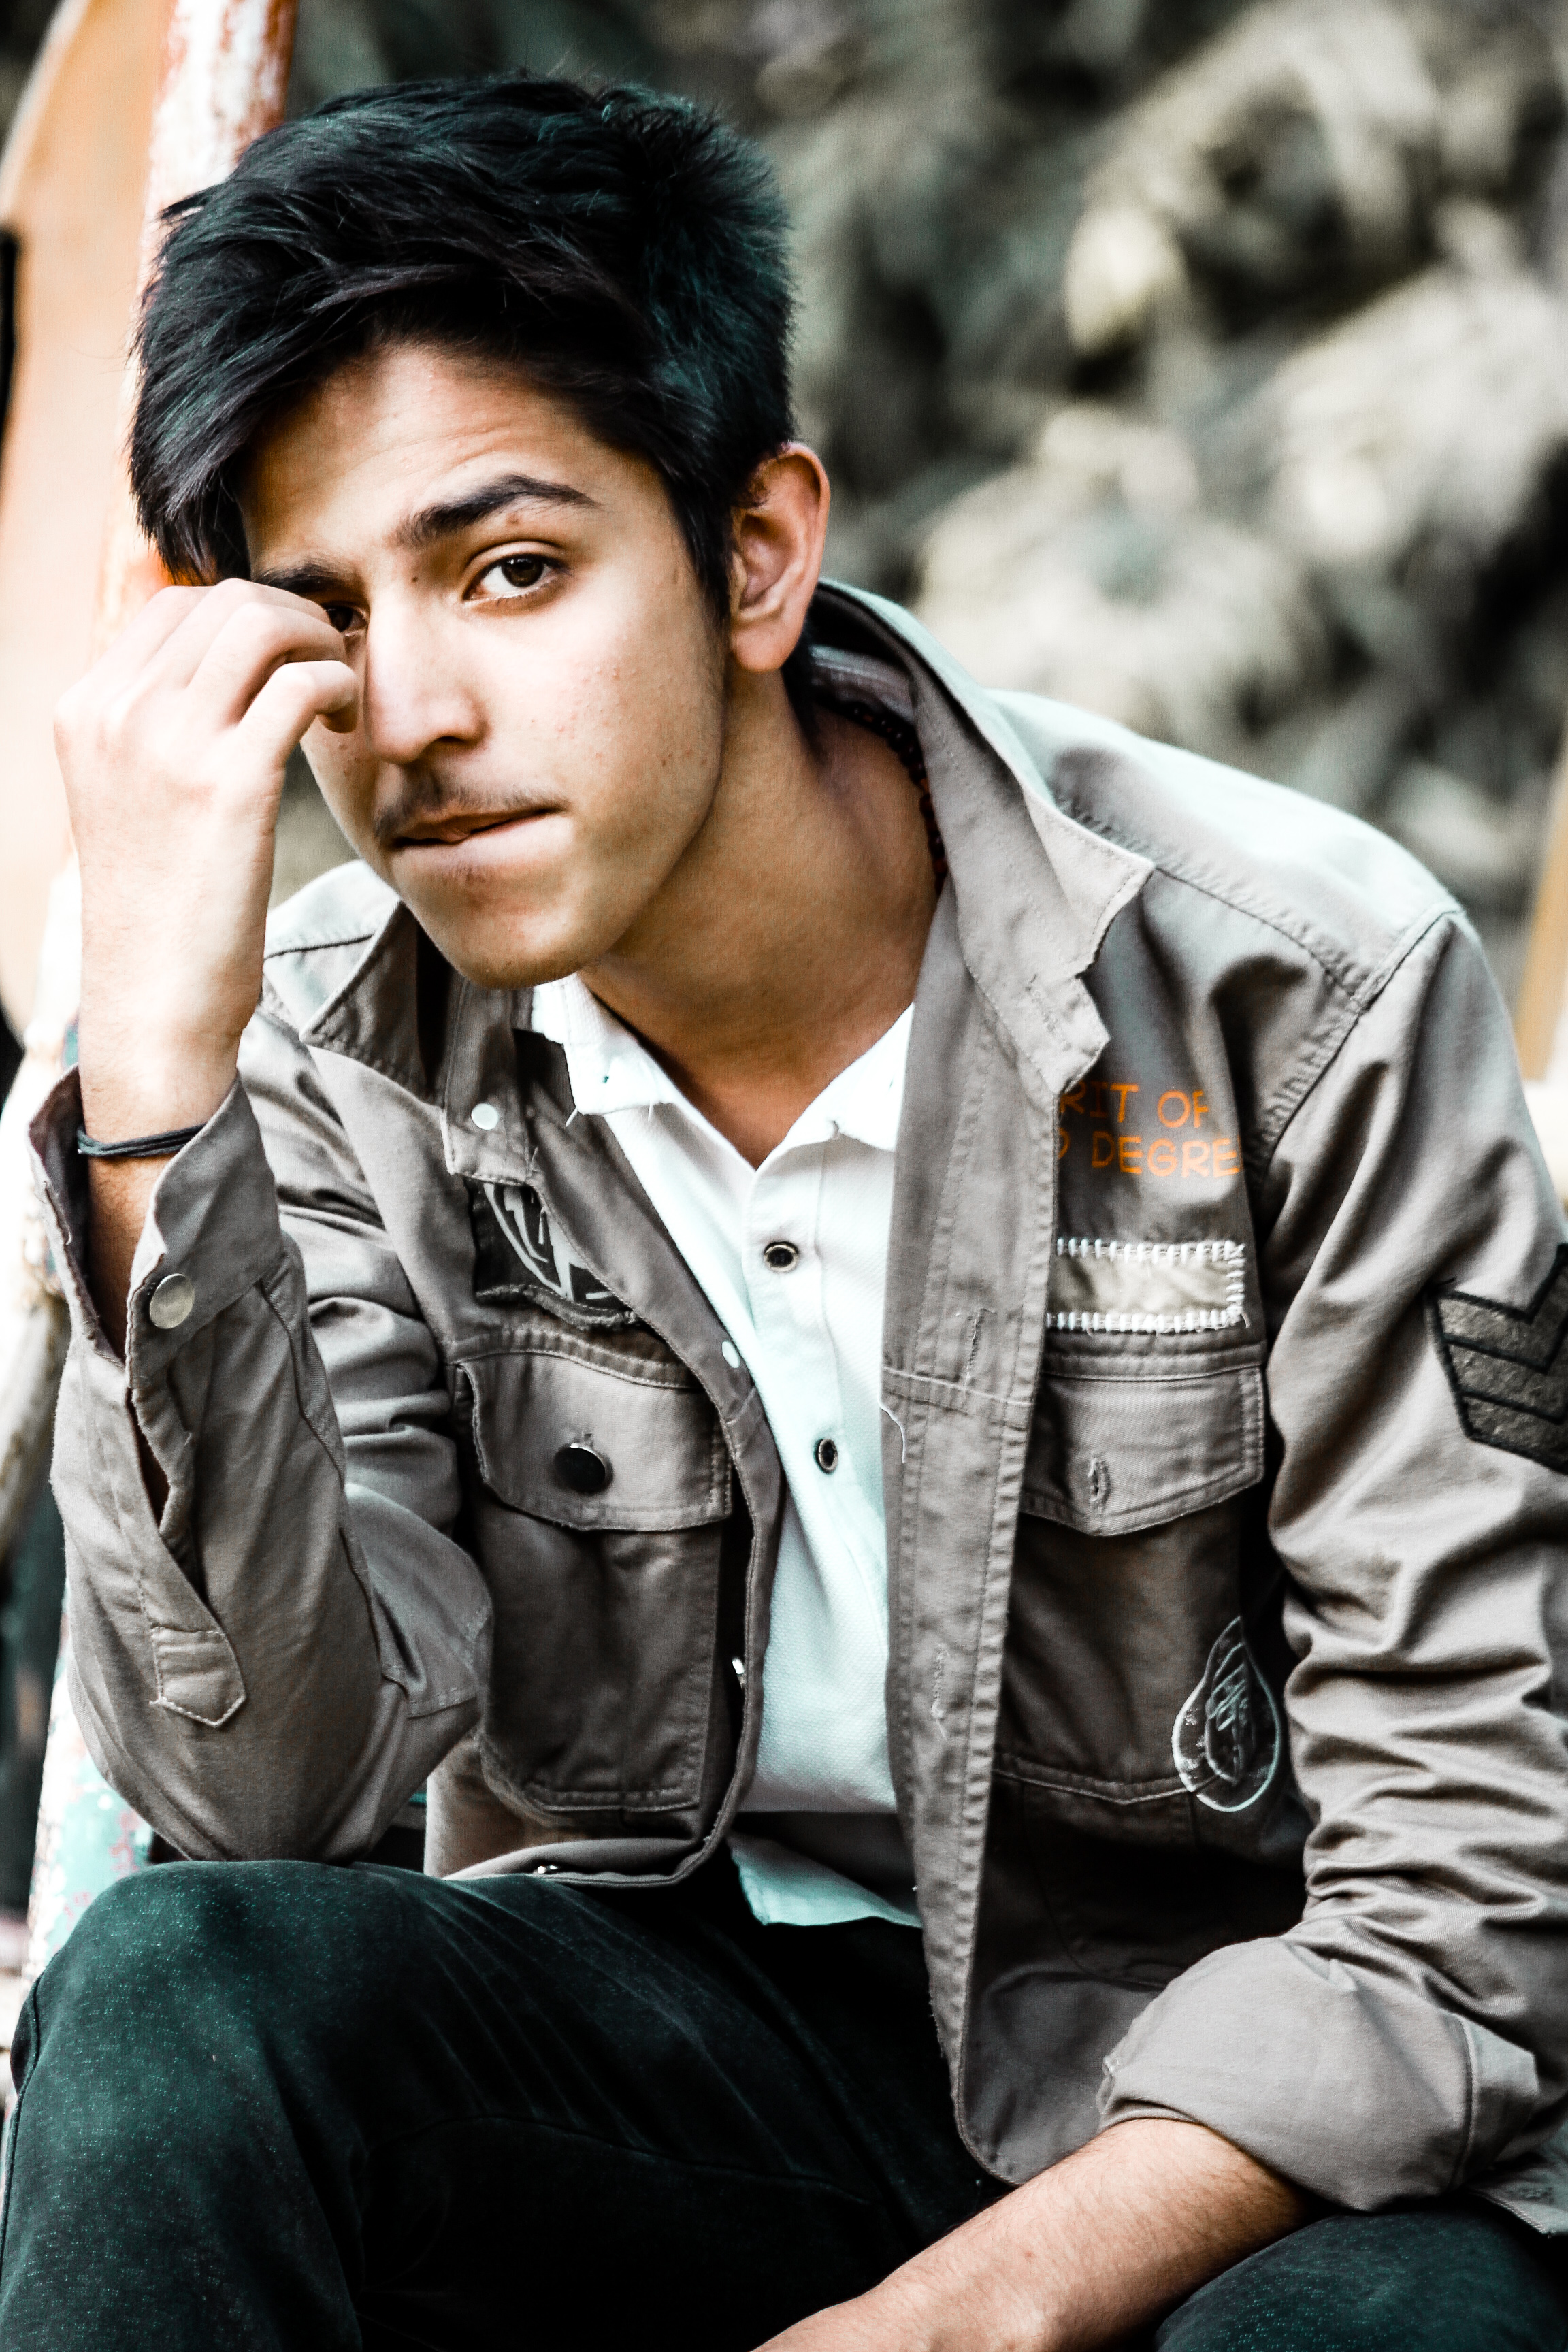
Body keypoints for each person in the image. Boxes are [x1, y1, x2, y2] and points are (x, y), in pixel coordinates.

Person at [6, 68, 1568, 2352]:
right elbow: (272, 1790)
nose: (409, 714)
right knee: (183, 1998)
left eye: (511, 570)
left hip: (1225, 2109)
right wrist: (152, 1079)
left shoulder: (1296, 996)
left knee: (1385, 2338)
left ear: (756, 554)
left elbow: (1467, 1911)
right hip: (679, 2064)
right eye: (327, 616)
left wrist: (942, 2326)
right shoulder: (324, 1059)